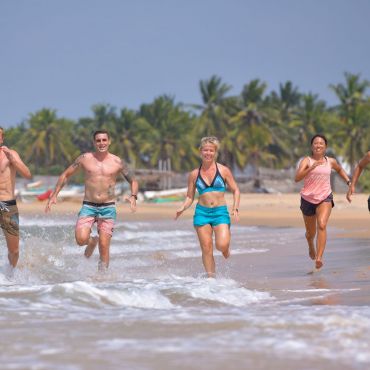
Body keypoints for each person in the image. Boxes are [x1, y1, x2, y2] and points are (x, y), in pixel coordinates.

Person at [45, 130, 138, 270]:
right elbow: (65, 175)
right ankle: (91, 241)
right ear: (94, 142)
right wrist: (54, 195)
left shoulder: (117, 162)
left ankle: (102, 278)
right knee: (81, 240)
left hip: (108, 206)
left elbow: (133, 181)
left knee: (104, 245)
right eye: (98, 140)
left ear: (109, 141)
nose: (101, 143)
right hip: (88, 205)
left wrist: (133, 196)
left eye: (104, 140)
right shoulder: (84, 158)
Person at [175, 136, 240, 277]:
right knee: (206, 248)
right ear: (200, 151)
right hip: (202, 213)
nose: (208, 153)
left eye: (211, 150)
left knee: (221, 245)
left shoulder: (223, 171)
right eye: (205, 150)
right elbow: (190, 196)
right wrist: (182, 207)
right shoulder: (194, 174)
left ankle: (225, 248)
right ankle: (211, 278)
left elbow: (236, 190)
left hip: (220, 212)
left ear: (215, 152)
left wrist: (235, 208)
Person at [295, 134, 351, 270]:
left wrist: (349, 182)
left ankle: (319, 258)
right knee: (310, 233)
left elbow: (339, 169)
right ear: (311, 146)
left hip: (325, 197)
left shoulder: (330, 161)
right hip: (308, 199)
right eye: (315, 143)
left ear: (325, 147)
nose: (318, 145)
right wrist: (311, 168)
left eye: (321, 143)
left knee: (322, 224)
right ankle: (310, 245)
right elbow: (297, 178)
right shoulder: (306, 161)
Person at [0, 127, 32, 268]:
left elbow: (27, 174)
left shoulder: (10, 154)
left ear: (2, 138)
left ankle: (10, 276)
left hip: (7, 204)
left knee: (14, 250)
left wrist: (13, 159)